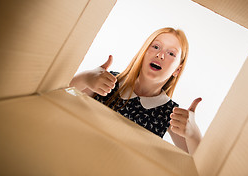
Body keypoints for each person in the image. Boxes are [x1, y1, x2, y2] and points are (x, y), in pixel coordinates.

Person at [70, 27, 202, 154]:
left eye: (171, 53)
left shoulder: (169, 113)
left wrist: (193, 134)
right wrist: (85, 78)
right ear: (143, 52)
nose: (160, 55)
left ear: (177, 70)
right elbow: (55, 93)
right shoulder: (108, 81)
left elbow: (200, 165)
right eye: (156, 47)